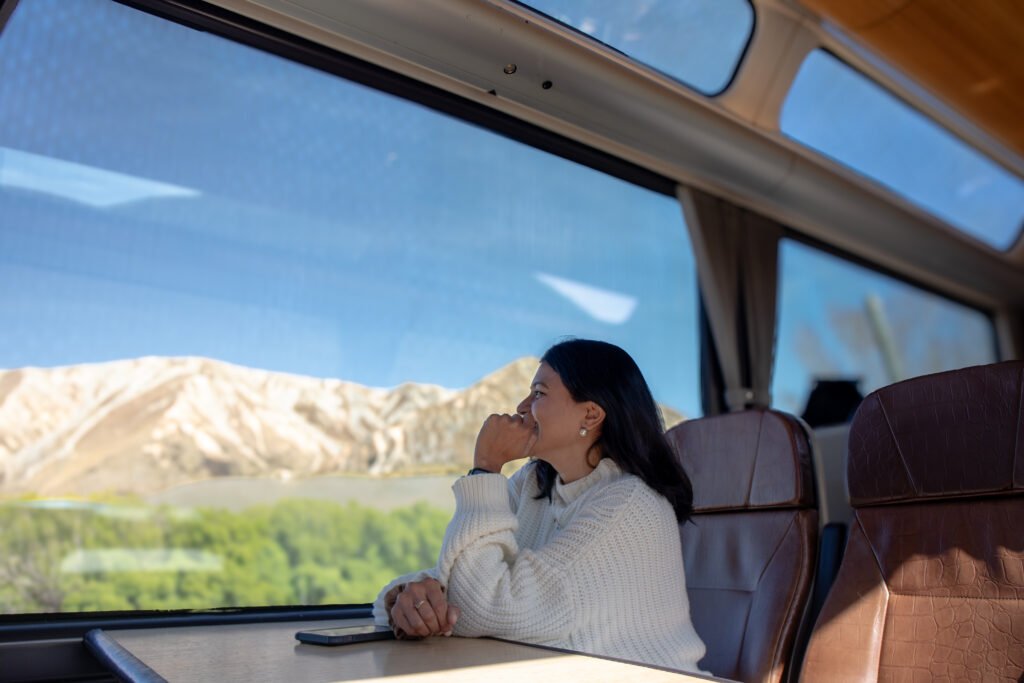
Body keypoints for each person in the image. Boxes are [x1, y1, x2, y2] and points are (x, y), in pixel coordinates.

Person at [372, 339, 707, 673]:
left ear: (590, 414)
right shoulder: (533, 482)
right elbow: (458, 578)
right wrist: (403, 599)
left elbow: (480, 606)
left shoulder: (630, 506)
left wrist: (486, 468)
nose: (521, 406)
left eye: (538, 394)